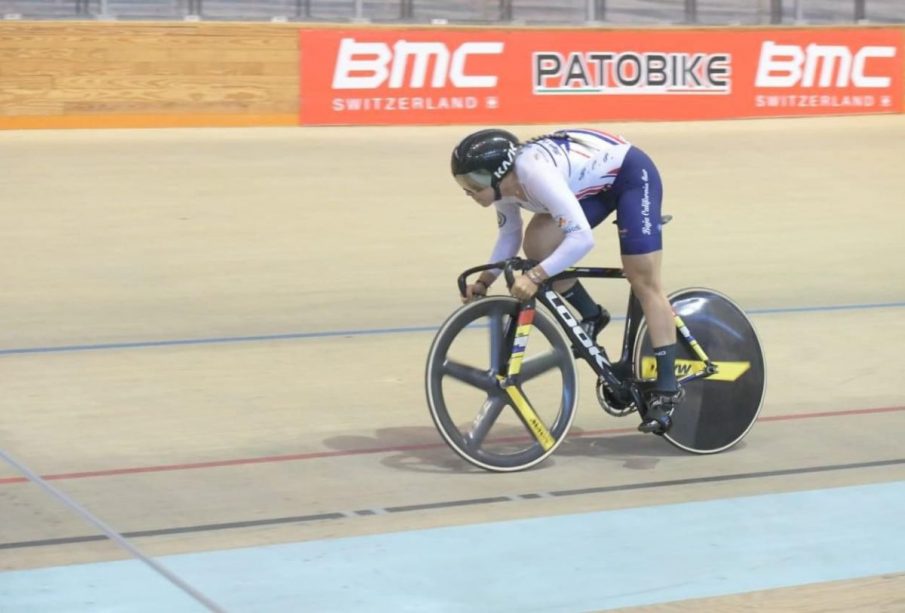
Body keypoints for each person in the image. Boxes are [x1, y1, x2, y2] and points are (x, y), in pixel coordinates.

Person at [450, 127, 682, 434]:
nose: (468, 190)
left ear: (499, 172)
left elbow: (582, 239)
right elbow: (510, 235)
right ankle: (591, 314)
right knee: (538, 246)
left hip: (630, 176)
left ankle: (667, 388)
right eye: (463, 183)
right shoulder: (504, 187)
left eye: (474, 181)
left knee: (642, 279)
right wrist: (484, 281)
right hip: (592, 184)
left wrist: (535, 276)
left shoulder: (534, 174)